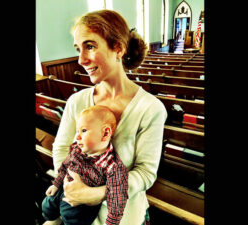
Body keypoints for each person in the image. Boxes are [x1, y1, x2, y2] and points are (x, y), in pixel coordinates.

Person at [52, 9, 167, 225]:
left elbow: (145, 173)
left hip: (126, 217)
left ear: (119, 48)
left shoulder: (150, 109)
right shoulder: (77, 101)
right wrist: (72, 184)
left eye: (90, 46)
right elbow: (60, 149)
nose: (80, 60)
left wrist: (96, 194)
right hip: (78, 215)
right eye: (78, 49)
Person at [42, 105, 129, 225]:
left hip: (82, 205)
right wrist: (56, 184)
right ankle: (53, 215)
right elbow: (65, 166)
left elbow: (117, 197)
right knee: (47, 206)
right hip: (63, 188)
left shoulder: (113, 166)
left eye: (83, 131)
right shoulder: (77, 149)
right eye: (77, 131)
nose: (77, 136)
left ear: (105, 133)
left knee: (73, 217)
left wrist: (111, 222)